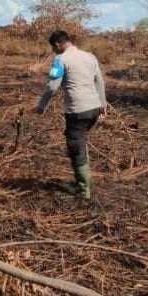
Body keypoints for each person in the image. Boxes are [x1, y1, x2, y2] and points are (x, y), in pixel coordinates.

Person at [35, 30, 107, 200]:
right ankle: (84, 180)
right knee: (81, 143)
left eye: (54, 48)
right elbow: (99, 82)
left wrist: (41, 106)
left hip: (77, 111)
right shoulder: (90, 56)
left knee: (76, 149)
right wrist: (103, 105)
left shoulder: (60, 60)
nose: (54, 51)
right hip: (94, 109)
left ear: (58, 45)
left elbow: (52, 86)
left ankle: (84, 192)